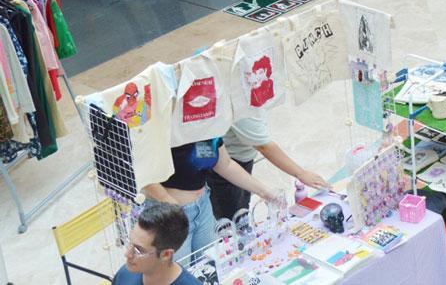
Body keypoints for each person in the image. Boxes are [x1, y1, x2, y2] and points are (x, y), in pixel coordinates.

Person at [142, 139, 279, 261]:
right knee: (177, 275)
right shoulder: (163, 124)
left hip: (203, 208)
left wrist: (265, 192)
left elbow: (225, 164)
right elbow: (138, 172)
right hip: (168, 214)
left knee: (211, 265)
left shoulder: (208, 126)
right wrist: (169, 202)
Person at [206, 117, 329, 222]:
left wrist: (264, 192)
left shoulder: (214, 143)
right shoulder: (205, 135)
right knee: (233, 219)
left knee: (241, 212)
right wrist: (300, 173)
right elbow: (263, 146)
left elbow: (225, 165)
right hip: (223, 171)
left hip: (237, 161)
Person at [112, 203, 201, 284]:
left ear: (166, 254)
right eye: (130, 242)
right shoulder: (124, 275)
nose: (127, 254)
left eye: (138, 250)